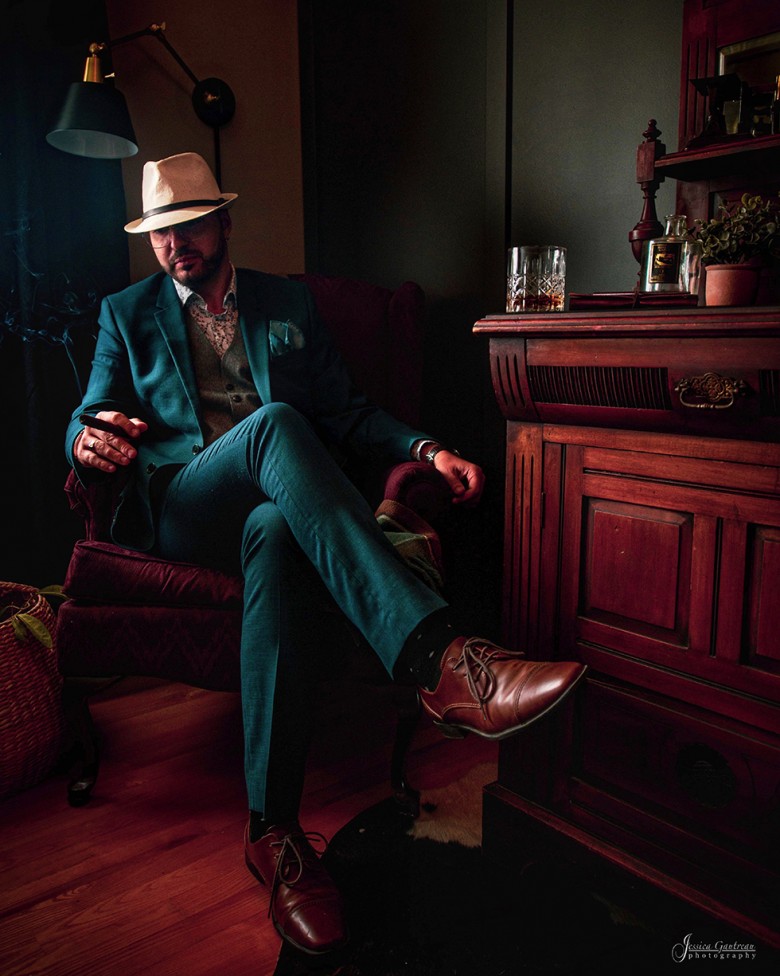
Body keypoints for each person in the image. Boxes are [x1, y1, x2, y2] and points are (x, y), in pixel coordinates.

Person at [66, 152, 586, 957]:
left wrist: (426, 445)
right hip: (188, 507)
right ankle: (438, 659)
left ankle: (272, 835)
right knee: (273, 421)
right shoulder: (124, 313)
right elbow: (91, 409)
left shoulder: (288, 303)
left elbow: (346, 411)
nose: (176, 245)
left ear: (225, 221)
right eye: (161, 233)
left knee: (277, 528)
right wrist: (85, 437)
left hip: (276, 511)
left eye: (190, 225)